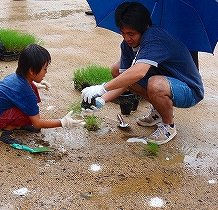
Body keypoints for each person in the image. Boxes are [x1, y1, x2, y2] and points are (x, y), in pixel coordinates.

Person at [82, 2, 204, 145]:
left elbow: (139, 72)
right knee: (118, 68)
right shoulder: (127, 45)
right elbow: (125, 80)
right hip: (166, 82)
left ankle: (168, 126)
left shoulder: (155, 38)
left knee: (155, 84)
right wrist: (102, 100)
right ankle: (159, 110)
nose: (127, 38)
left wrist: (102, 88)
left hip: (189, 90)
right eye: (123, 33)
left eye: (131, 33)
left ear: (145, 28)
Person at [0, 44, 84, 144]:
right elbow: (37, 122)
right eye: (44, 69)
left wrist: (35, 84)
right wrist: (63, 122)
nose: (46, 72)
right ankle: (4, 132)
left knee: (31, 103)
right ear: (31, 70)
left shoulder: (16, 77)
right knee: (31, 115)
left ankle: (19, 125)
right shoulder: (26, 91)